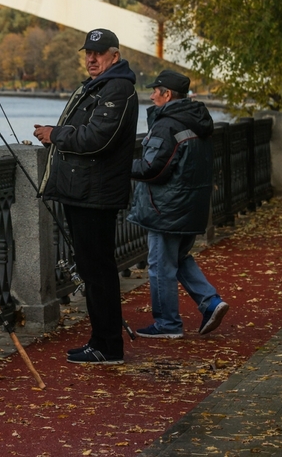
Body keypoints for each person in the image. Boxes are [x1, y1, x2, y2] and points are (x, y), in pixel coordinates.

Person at [33, 28, 139, 365]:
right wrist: (58, 136)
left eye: (98, 53)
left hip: (96, 194)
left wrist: (56, 134)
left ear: (114, 56)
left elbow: (98, 138)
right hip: (84, 192)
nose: (91, 59)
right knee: (94, 271)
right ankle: (101, 341)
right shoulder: (98, 86)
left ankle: (108, 346)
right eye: (87, 53)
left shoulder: (118, 89)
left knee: (98, 272)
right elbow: (88, 133)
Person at [128, 69, 229, 338]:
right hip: (191, 204)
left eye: (155, 91)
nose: (150, 96)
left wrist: (120, 166)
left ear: (167, 94)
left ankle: (167, 324)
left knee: (161, 265)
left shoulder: (167, 124)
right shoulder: (198, 121)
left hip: (166, 207)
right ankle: (210, 301)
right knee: (178, 258)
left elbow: (153, 168)